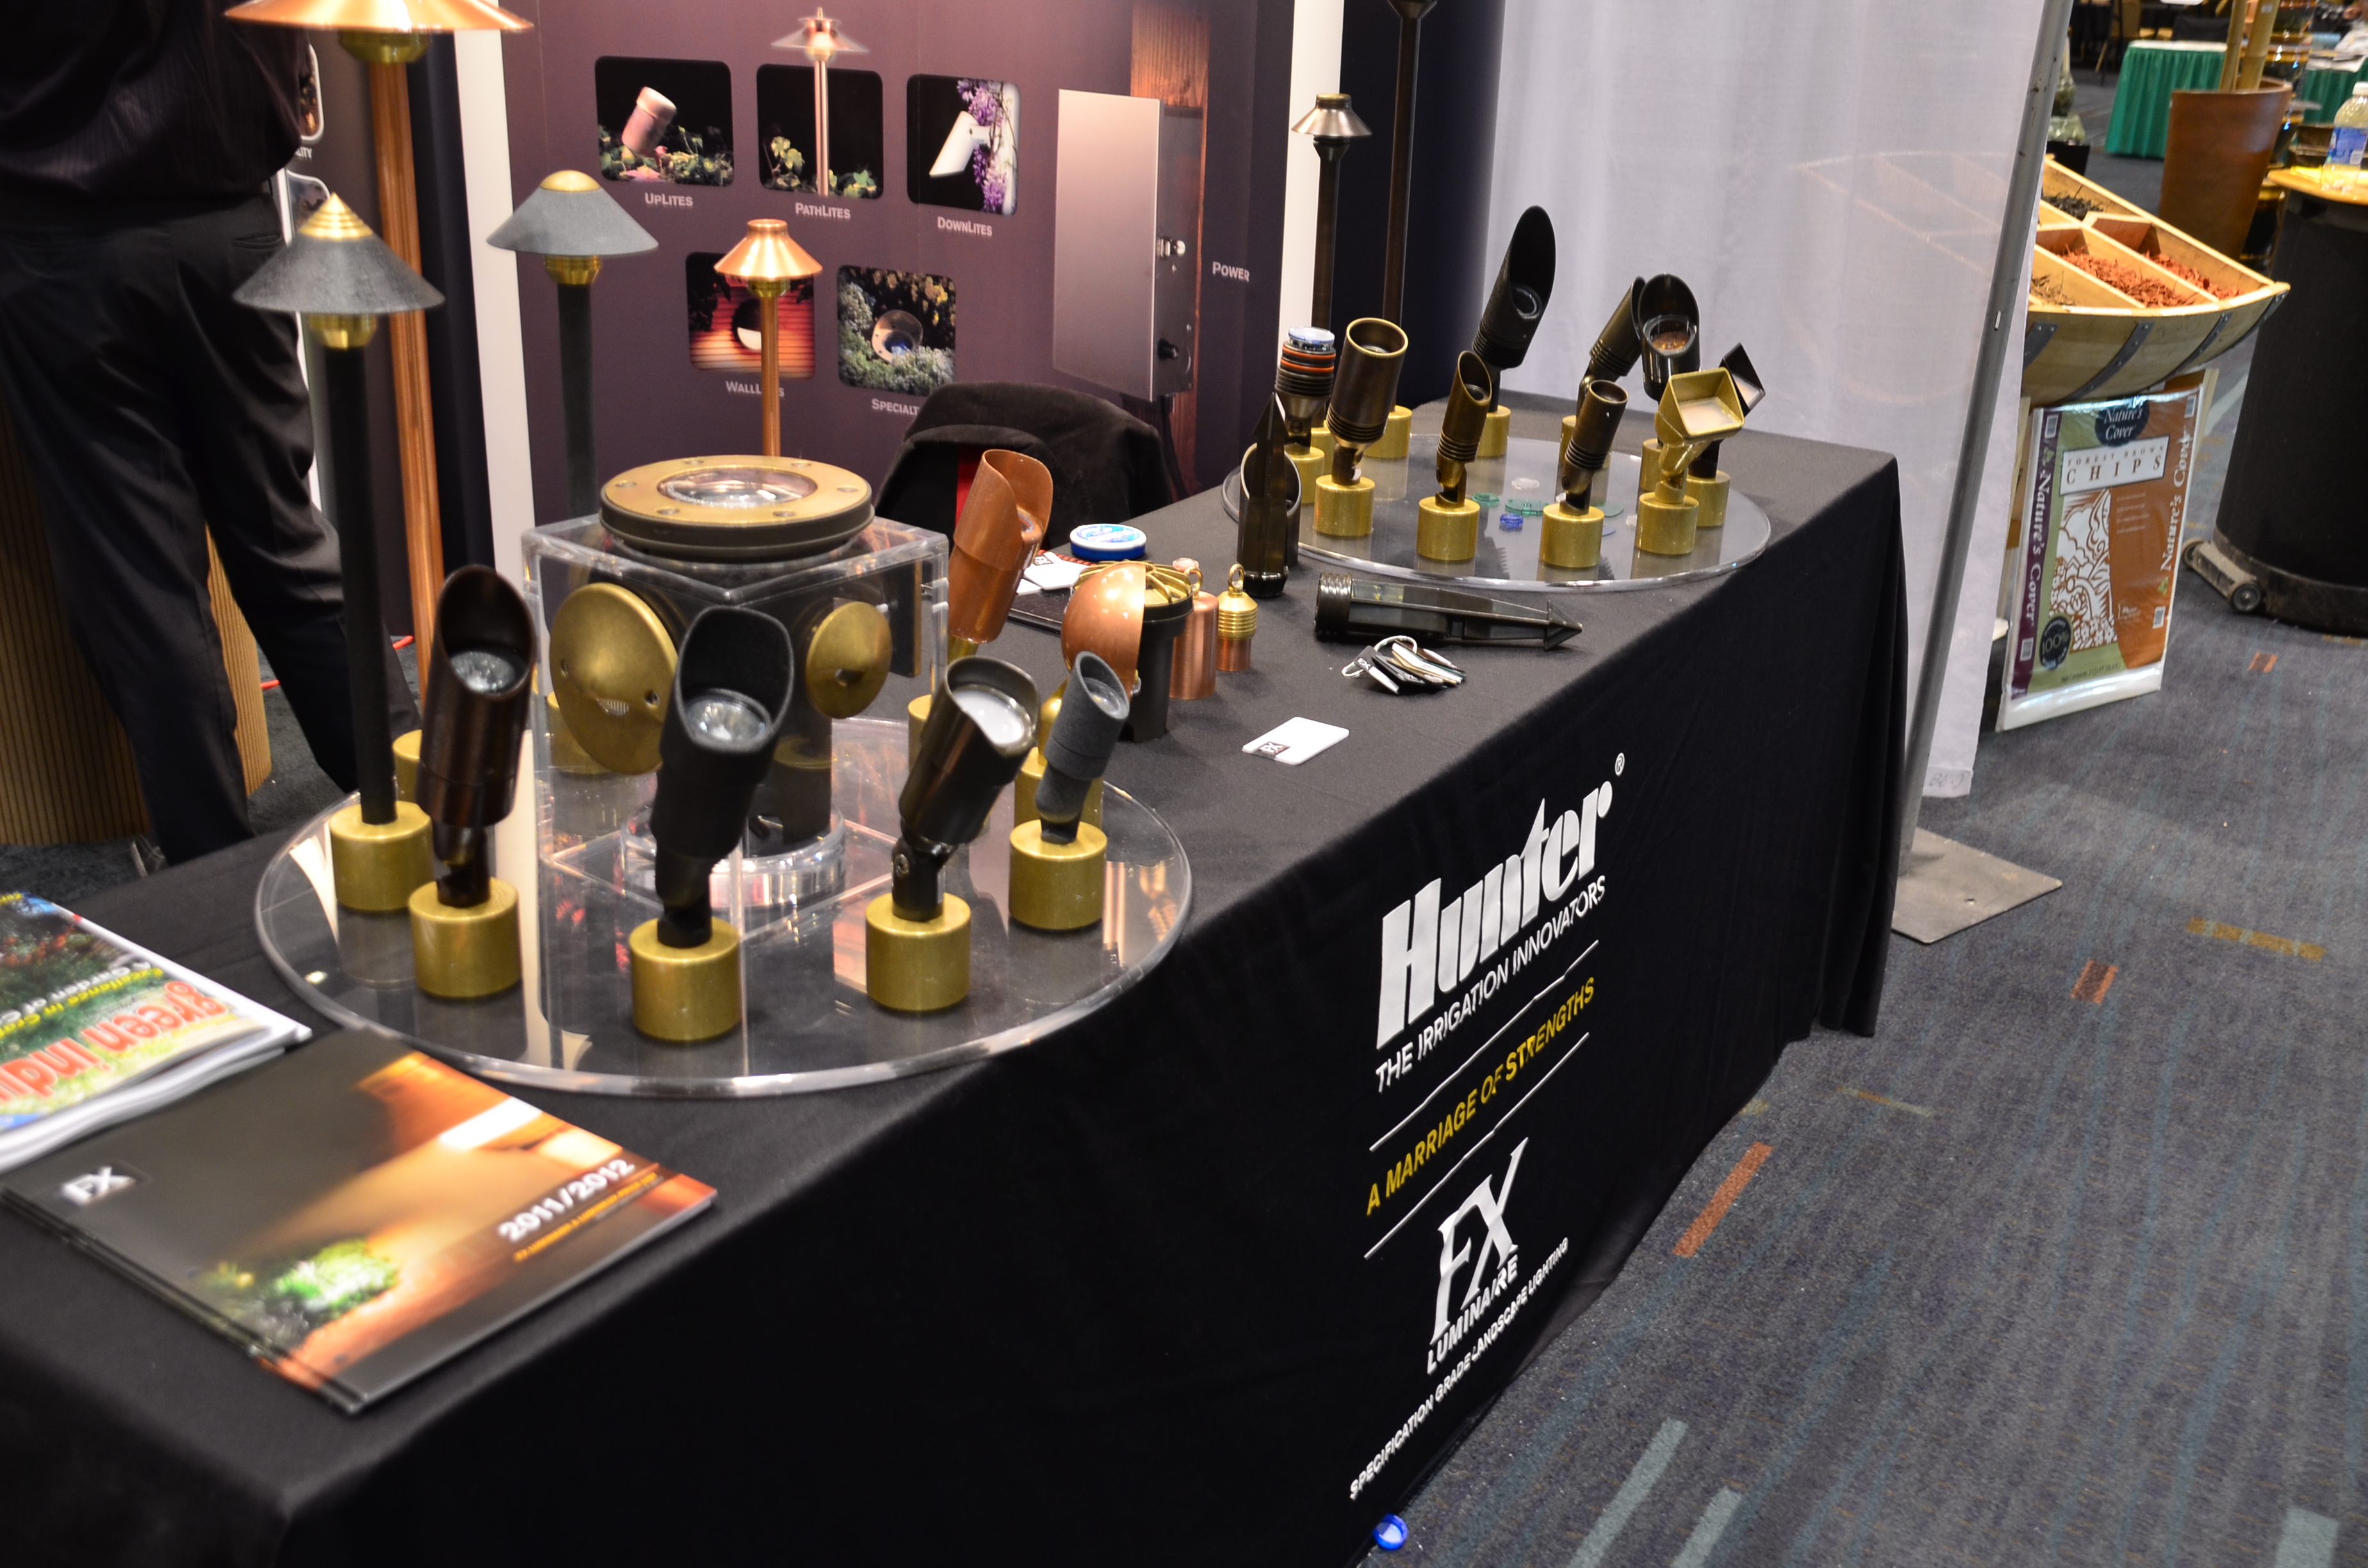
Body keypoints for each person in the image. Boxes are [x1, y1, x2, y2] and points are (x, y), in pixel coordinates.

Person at [0, 0, 419, 864]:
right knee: (286, 544)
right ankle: (426, 818)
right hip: (226, 220)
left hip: (65, 241)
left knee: (143, 589)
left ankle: (213, 876)